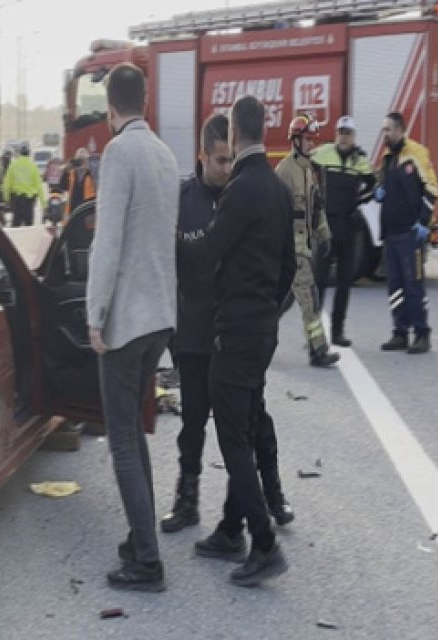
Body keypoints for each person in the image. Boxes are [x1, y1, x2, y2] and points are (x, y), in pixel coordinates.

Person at [160, 113, 293, 534]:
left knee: (254, 423)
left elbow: (282, 264)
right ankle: (187, 500)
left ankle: (271, 495)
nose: (225, 165)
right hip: (195, 334)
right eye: (219, 159)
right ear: (201, 157)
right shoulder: (181, 200)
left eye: (229, 157)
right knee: (194, 421)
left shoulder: (244, 194)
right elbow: (168, 265)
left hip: (235, 334)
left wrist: (264, 314)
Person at [189, 95, 293, 588]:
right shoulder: (276, 188)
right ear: (264, 130)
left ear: (233, 134)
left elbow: (211, 249)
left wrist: (178, 241)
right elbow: (291, 268)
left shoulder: (240, 189)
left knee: (232, 438)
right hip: (264, 330)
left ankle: (263, 542)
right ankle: (231, 529)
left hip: (236, 331)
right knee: (246, 425)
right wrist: (266, 311)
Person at [86, 62, 179, 592]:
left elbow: (108, 242)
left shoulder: (118, 153)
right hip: (161, 316)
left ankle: (146, 561)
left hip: (127, 318)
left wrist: (95, 314)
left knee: (122, 436)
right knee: (135, 434)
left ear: (110, 109)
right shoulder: (164, 154)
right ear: (143, 100)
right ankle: (140, 537)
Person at [275, 114, 340, 367]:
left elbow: (316, 209)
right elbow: (276, 213)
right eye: (308, 140)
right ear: (296, 140)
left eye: (312, 141)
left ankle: (258, 335)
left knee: (284, 301)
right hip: (292, 251)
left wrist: (325, 235)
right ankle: (318, 351)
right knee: (310, 299)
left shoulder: (309, 172)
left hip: (305, 249)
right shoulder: (285, 171)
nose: (312, 145)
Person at [375, 112, 438, 354]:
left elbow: (432, 189)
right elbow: (382, 186)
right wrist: (378, 191)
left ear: (400, 129)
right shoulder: (387, 157)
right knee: (396, 287)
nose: (385, 135)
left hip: (410, 234)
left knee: (414, 286)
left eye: (388, 130)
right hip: (390, 234)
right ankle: (400, 332)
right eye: (383, 130)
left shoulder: (416, 153)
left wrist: (424, 222)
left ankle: (422, 333)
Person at [312, 115, 376, 347]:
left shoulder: (360, 159)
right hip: (326, 226)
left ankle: (337, 331)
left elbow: (372, 183)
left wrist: (362, 200)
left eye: (348, 133)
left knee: (343, 281)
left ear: (354, 136)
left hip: (349, 227)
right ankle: (315, 333)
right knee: (318, 280)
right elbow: (305, 170)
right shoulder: (323, 153)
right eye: (340, 132)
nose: (343, 136)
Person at [3, 144, 44, 227]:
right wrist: (44, 204)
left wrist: (6, 199)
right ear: (29, 153)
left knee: (16, 227)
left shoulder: (13, 165)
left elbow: (6, 184)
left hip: (16, 201)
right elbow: (39, 186)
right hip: (29, 202)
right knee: (29, 227)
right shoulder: (33, 166)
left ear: (20, 153)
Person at [59, 147, 97, 215]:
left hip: (88, 210)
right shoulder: (72, 173)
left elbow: (98, 187)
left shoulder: (92, 173)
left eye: (83, 160)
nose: (81, 163)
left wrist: (90, 168)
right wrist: (66, 171)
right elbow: (62, 186)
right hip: (74, 210)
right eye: (79, 160)